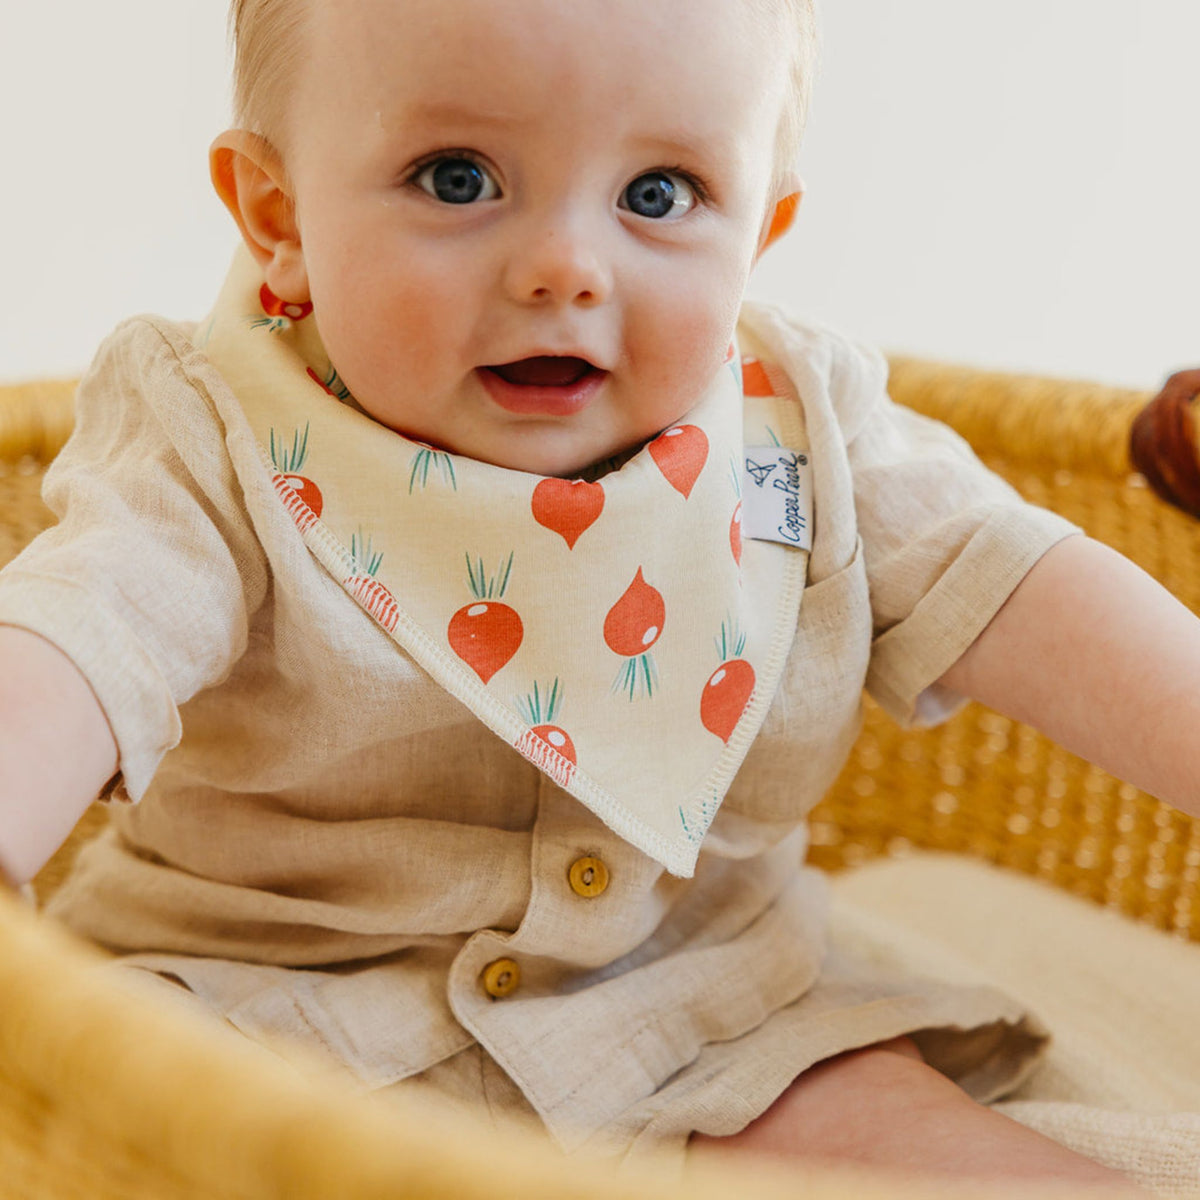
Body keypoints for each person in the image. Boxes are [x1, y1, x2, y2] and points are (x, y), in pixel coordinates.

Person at [0, 0, 1196, 1189]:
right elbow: (85, 628)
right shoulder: (210, 435)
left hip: (705, 1014)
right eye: (457, 178)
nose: (566, 268)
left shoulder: (803, 433)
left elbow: (1020, 583)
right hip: (266, 1018)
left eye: (660, 195)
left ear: (760, 234)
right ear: (280, 218)